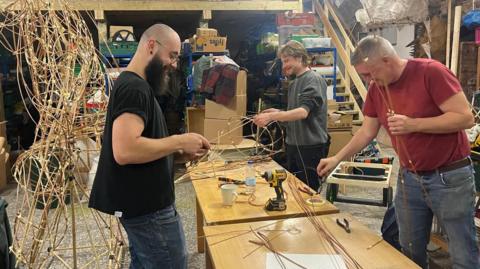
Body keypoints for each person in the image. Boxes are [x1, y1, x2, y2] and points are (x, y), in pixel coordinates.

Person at [317, 36, 478, 269]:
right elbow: (366, 132)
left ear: (387, 59)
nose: (368, 80)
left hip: (448, 177)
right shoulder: (376, 89)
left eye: (370, 73)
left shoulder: (430, 72)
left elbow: (465, 118)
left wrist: (414, 124)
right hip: (409, 177)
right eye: (363, 76)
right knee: (409, 248)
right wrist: (336, 158)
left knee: (463, 252)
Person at [89, 24, 210, 269]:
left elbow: (141, 145)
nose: (174, 64)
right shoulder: (134, 88)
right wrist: (178, 140)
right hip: (148, 209)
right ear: (152, 45)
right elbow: (125, 151)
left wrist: (177, 154)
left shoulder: (136, 85)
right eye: (172, 55)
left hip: (142, 206)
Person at [253, 40, 329, 191]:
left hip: (309, 147)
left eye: (287, 60)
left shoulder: (312, 79)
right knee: (294, 188)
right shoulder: (294, 82)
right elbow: (294, 113)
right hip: (293, 145)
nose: (284, 66)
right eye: (283, 62)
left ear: (300, 58)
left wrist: (271, 118)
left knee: (308, 191)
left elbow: (302, 112)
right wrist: (278, 112)